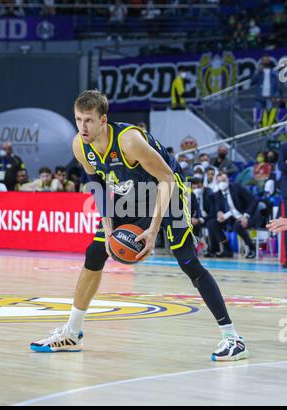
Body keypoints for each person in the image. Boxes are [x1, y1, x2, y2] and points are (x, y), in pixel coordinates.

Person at [30, 90, 249, 361]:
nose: (83, 127)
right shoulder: (79, 145)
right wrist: (108, 227)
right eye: (78, 119)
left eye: (89, 120)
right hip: (130, 194)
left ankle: (232, 336)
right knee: (95, 252)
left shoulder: (129, 141)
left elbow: (167, 179)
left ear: (103, 120)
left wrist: (153, 229)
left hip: (167, 189)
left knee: (188, 262)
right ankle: (72, 333)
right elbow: (97, 185)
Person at [206, 172, 259, 259]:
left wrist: (245, 216)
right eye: (219, 182)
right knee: (212, 223)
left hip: (244, 216)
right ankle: (227, 250)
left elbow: (254, 200)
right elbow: (218, 209)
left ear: (228, 180)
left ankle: (252, 249)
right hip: (230, 218)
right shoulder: (217, 195)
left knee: (237, 226)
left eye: (223, 180)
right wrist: (219, 213)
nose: (222, 183)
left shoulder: (237, 188)